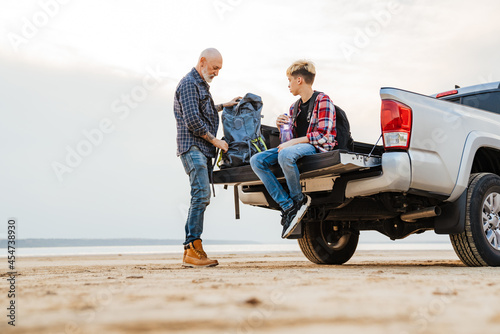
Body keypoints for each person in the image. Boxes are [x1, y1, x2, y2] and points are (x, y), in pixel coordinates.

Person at [250, 60, 337, 238]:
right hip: (298, 147)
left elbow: (324, 135)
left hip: (318, 147)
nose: (288, 85)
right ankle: (288, 206)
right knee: (256, 161)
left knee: (286, 155)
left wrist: (292, 143)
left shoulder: (323, 100)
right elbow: (287, 141)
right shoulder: (294, 107)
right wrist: (282, 127)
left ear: (299, 80)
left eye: (289, 80)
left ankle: (298, 200)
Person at [174, 48, 241, 267]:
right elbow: (193, 121)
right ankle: (194, 248)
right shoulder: (188, 84)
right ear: (202, 61)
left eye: (219, 69)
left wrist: (224, 105)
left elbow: (205, 110)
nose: (217, 73)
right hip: (193, 147)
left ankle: (191, 250)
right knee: (201, 195)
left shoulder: (200, 85)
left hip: (200, 149)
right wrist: (216, 141)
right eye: (215, 68)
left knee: (200, 196)